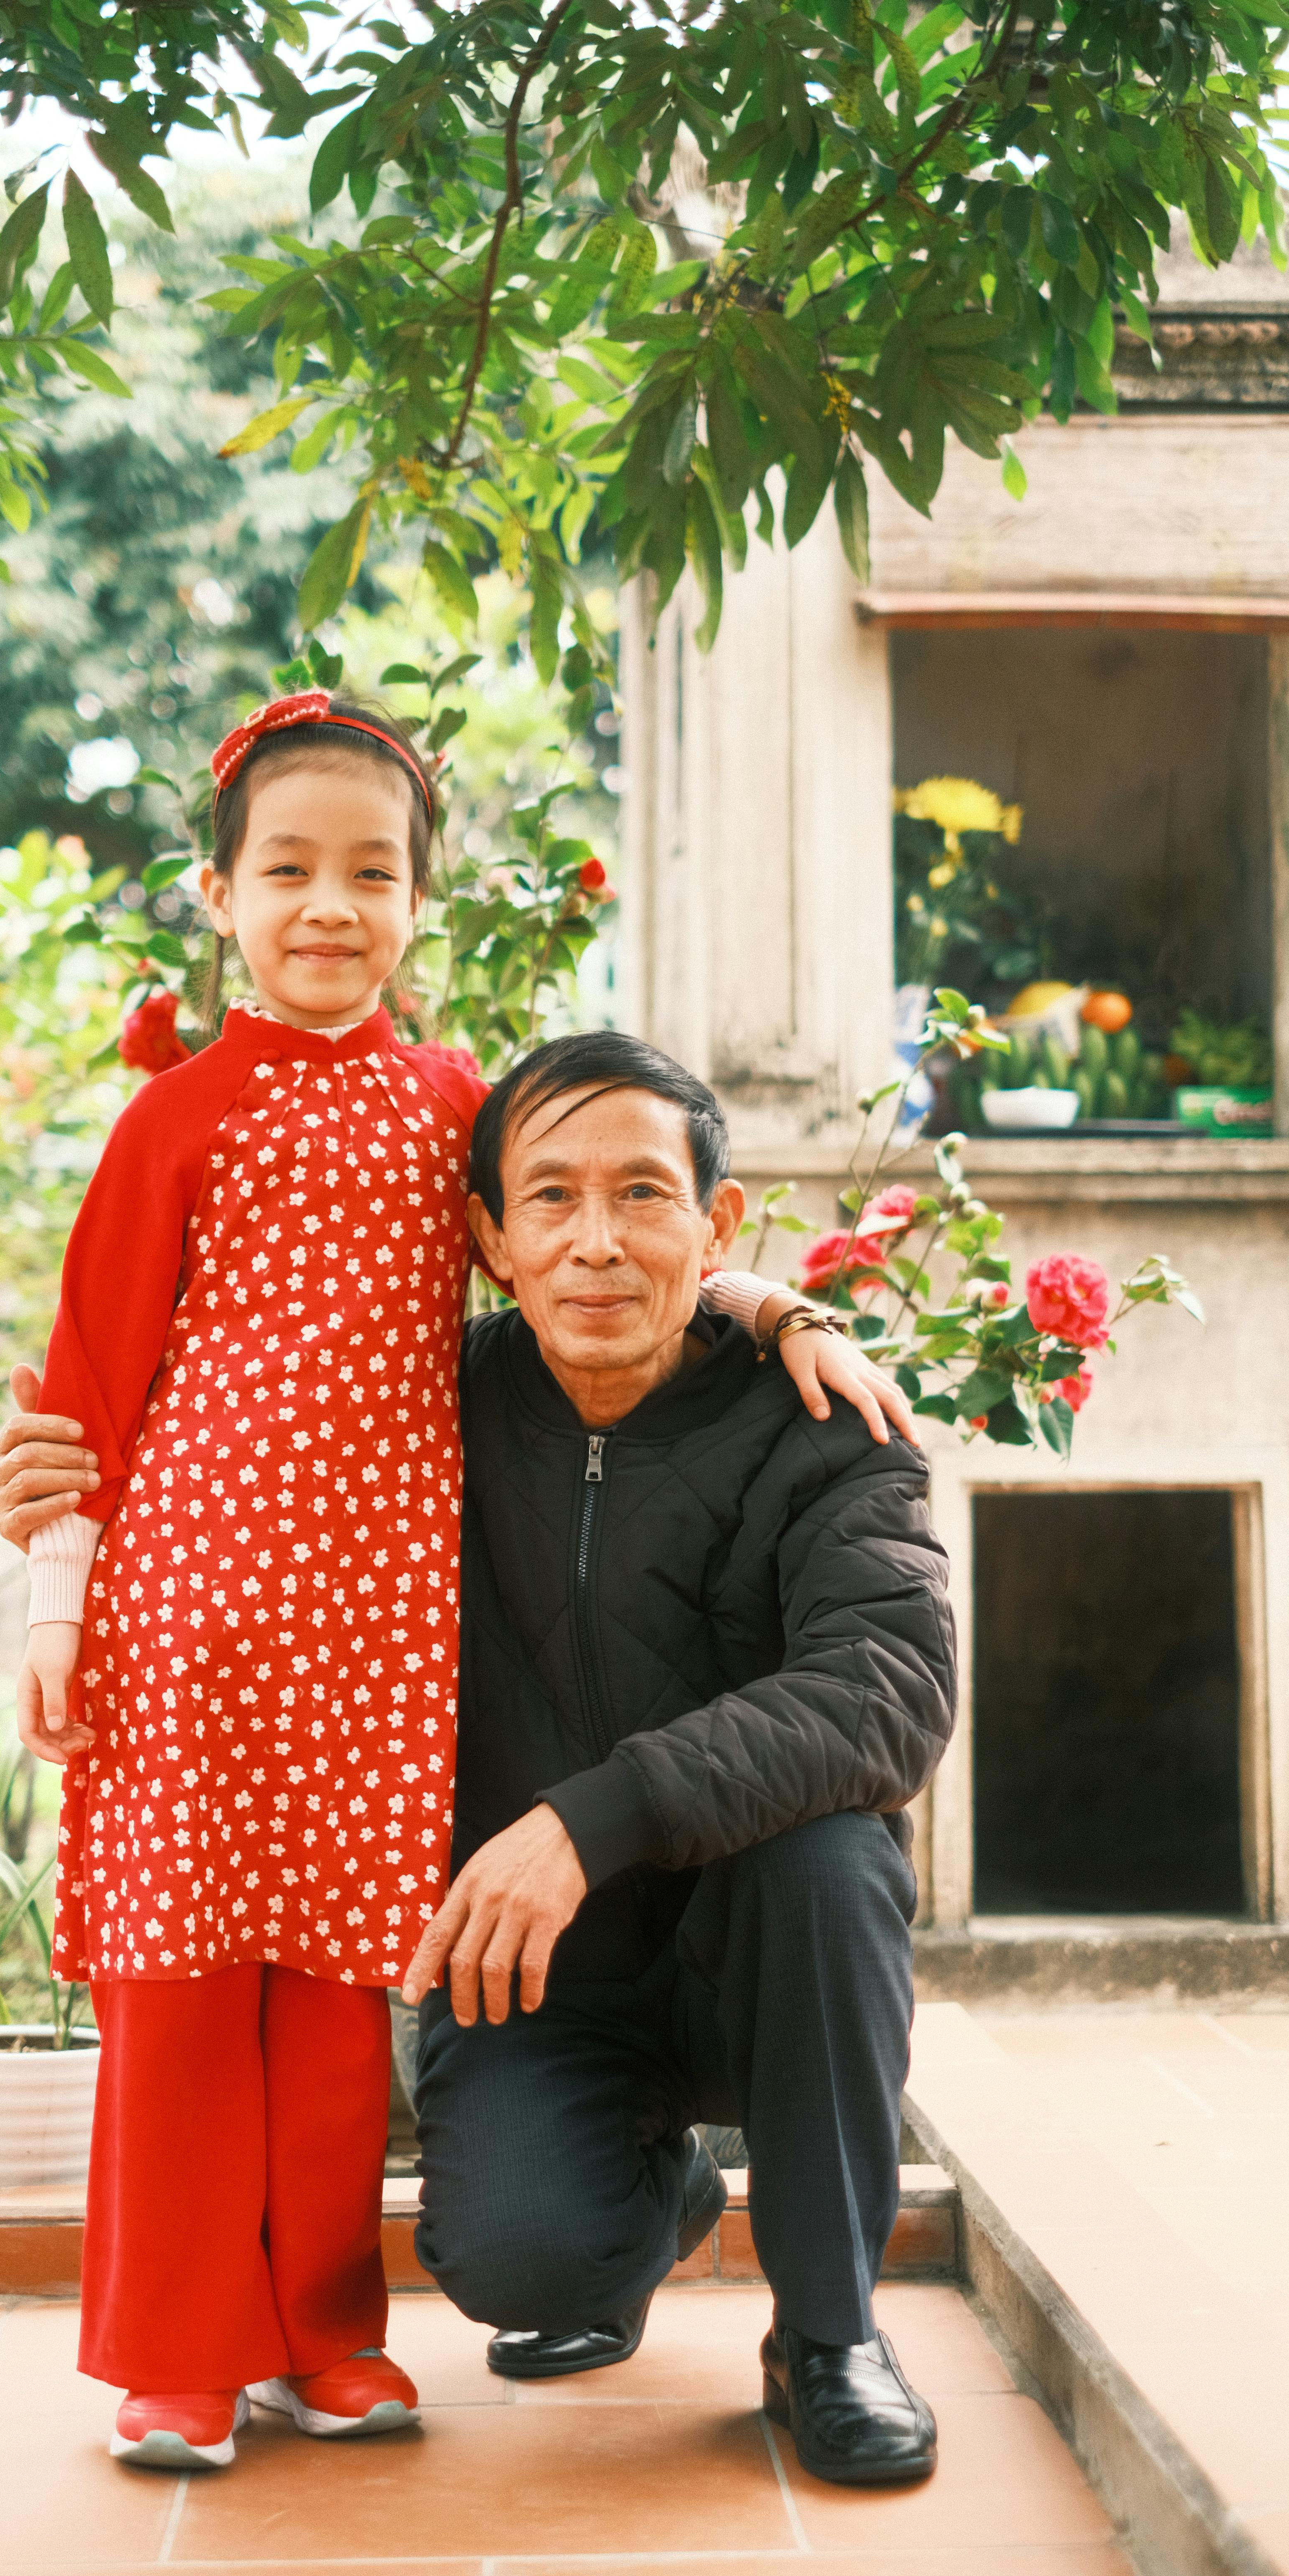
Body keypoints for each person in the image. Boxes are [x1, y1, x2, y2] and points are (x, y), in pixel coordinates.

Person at [0, 695, 919, 2478]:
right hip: (191, 1627)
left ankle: (339, 2337)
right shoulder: (171, 1124)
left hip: (369, 1647)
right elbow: (88, 1378)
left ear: (421, 903)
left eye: (370, 874)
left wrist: (764, 1304)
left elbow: (604, 1215)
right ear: (216, 894)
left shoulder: (444, 1113)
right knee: (185, 1999)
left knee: (340, 2009)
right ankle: (181, 2355)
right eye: (287, 871)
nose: (327, 906)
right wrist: (58, 1588)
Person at [394, 1034, 956, 2486]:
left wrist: (597, 1816)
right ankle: (657, 2198)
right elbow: (229, 1470)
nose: (596, 1243)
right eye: (551, 1199)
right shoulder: (415, 1417)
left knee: (837, 1856)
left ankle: (828, 2337)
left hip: (750, 1941)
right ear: (489, 1236)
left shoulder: (830, 1426)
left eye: (643, 1195)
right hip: (539, 1972)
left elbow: (891, 1687)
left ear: (716, 1227)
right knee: (521, 2263)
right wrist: (66, 1504)